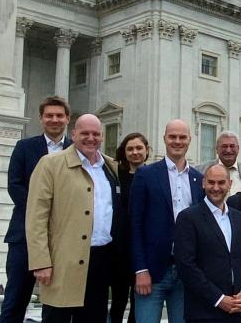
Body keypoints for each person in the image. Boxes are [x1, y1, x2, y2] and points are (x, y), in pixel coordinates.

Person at [25, 114, 120, 322]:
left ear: (102, 136)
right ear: (73, 134)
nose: (90, 138)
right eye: (84, 133)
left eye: (95, 134)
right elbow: (36, 217)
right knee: (57, 317)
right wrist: (41, 262)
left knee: (93, 317)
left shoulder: (111, 167)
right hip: (63, 261)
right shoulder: (51, 164)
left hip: (101, 260)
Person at [0, 96, 71, 323]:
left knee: (55, 304)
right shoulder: (24, 147)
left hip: (63, 240)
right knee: (15, 300)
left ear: (67, 119)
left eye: (59, 115)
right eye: (49, 115)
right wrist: (44, 212)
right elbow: (15, 185)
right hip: (24, 237)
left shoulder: (75, 150)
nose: (54, 119)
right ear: (41, 119)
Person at [130, 120, 204, 323]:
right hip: (152, 273)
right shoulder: (146, 175)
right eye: (172, 137)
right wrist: (140, 269)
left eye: (182, 137)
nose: (177, 141)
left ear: (190, 140)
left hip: (186, 272)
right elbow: (135, 226)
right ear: (164, 139)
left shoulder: (198, 179)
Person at [174, 164, 241, 322]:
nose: (216, 188)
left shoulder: (239, 218)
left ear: (229, 184)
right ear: (203, 183)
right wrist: (219, 299)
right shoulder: (188, 218)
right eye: (211, 182)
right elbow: (186, 266)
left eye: (221, 182)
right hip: (205, 312)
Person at [110, 132, 150, 323]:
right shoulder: (116, 176)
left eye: (139, 148)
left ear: (147, 150)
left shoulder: (153, 176)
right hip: (119, 247)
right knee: (118, 298)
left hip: (143, 246)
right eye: (130, 149)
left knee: (139, 299)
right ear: (124, 153)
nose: (135, 152)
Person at [198, 131, 241, 196]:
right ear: (217, 149)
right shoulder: (201, 171)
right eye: (224, 146)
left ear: (238, 149)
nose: (228, 150)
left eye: (232, 146)